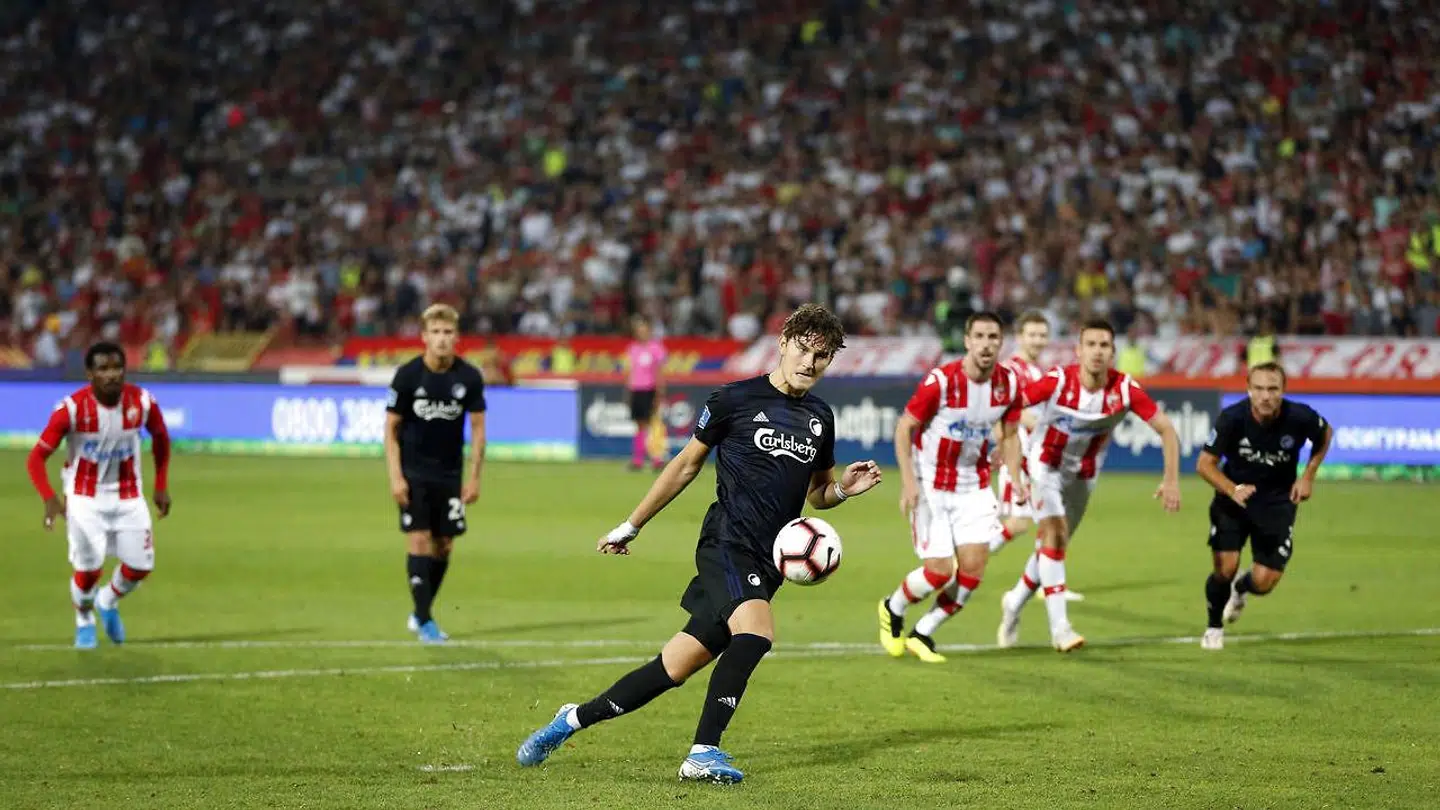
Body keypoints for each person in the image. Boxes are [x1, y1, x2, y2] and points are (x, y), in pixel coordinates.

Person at [515, 304, 882, 783]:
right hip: (727, 544)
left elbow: (817, 493)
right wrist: (632, 525)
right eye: (804, 350)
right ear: (783, 343)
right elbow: (685, 465)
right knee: (756, 634)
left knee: (673, 667)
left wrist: (841, 492)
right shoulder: (734, 399)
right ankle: (703, 752)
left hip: (769, 563)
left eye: (823, 356)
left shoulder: (819, 416)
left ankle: (570, 720)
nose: (810, 363)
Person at [995, 319, 1183, 652]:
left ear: (1113, 352)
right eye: (1091, 345)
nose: (1097, 351)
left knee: (1054, 546)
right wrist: (1008, 451)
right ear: (1079, 351)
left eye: (1104, 345)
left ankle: (1014, 601)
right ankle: (1061, 629)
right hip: (1043, 467)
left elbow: (1166, 429)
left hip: (1083, 476)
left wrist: (1170, 480)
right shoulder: (1057, 380)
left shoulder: (1124, 389)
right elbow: (1009, 408)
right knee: (1053, 533)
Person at [877, 312, 1026, 663]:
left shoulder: (1010, 385)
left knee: (973, 569)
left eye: (993, 337)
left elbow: (1011, 433)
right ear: (967, 341)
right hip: (931, 483)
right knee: (940, 572)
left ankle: (924, 632)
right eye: (980, 336)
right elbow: (904, 428)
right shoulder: (941, 382)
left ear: (1001, 343)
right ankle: (892, 607)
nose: (987, 344)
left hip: (973, 486)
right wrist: (909, 483)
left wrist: (1016, 478)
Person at [25, 341, 173, 649]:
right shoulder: (72, 410)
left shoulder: (142, 403)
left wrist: (160, 484)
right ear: (90, 373)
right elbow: (36, 458)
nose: (112, 375)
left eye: (117, 367)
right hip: (84, 500)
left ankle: (107, 601)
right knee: (89, 570)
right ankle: (84, 618)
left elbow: (160, 436)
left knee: (140, 566)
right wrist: (49, 496)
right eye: (103, 368)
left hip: (129, 496)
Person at [1194, 362, 1332, 650]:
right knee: (1224, 567)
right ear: (1248, 390)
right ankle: (1213, 628)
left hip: (1278, 502)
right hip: (1233, 501)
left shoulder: (1299, 416)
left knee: (1265, 581)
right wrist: (1232, 490)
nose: (1266, 396)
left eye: (1273, 389)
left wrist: (1308, 476)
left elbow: (1325, 434)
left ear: (1283, 391)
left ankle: (1242, 588)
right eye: (1259, 389)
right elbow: (1204, 464)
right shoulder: (1232, 419)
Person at [384, 304, 488, 644]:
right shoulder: (408, 376)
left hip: (449, 476)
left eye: (447, 333)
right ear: (424, 337)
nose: (442, 339)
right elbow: (390, 430)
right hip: (414, 475)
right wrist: (395, 476)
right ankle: (426, 620)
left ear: (456, 337)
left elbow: (478, 430)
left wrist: (474, 478)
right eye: (436, 333)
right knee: (418, 539)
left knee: (444, 546)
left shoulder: (469, 377)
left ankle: (420, 611)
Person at [626, 315, 668, 470]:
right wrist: (628, 392)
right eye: (639, 330)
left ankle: (657, 458)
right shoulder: (633, 349)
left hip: (650, 390)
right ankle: (638, 459)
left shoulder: (656, 349)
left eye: (644, 330)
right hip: (636, 390)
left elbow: (659, 373)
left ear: (649, 331)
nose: (641, 333)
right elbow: (630, 372)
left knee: (654, 423)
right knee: (639, 425)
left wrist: (659, 393)